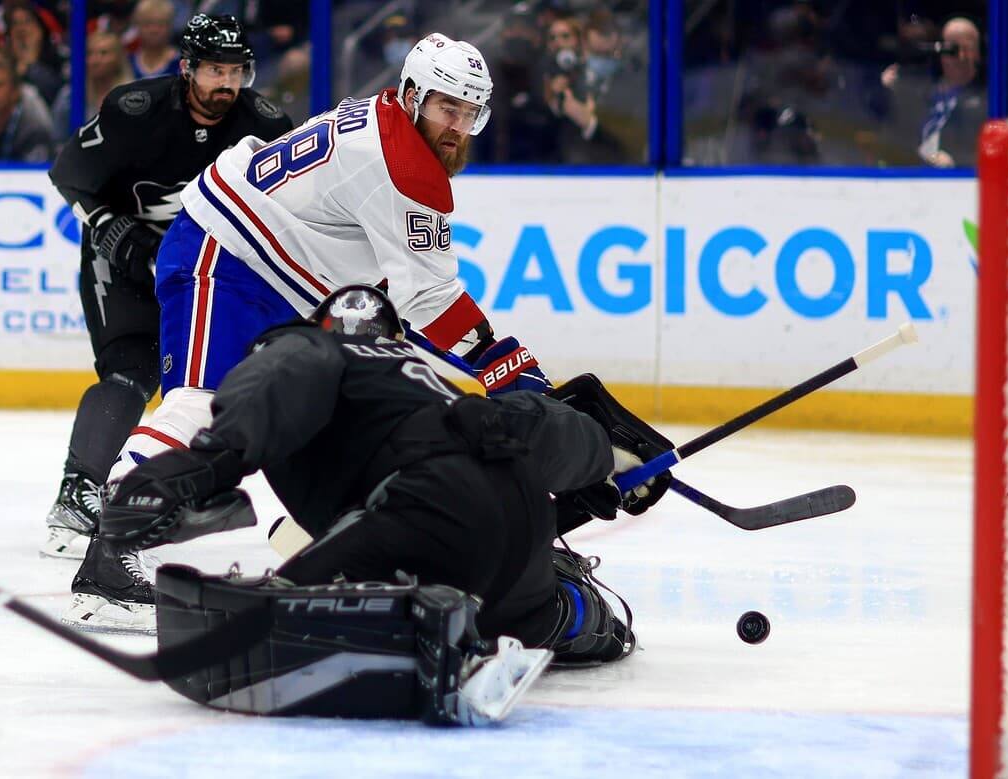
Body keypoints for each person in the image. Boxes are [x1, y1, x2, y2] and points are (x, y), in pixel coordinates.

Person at [90, 286, 667, 676]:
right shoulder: (426, 384)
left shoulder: (305, 347)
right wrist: (607, 458)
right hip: (519, 515)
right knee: (526, 612)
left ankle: (417, 611)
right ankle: (583, 616)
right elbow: (530, 423)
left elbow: (279, 385)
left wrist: (208, 464)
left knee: (285, 603)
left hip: (419, 506)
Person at [98, 32, 552, 505]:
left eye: (470, 112)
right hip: (223, 254)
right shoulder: (403, 164)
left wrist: (491, 361)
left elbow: (397, 291)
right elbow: (428, 296)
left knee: (335, 412)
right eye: (447, 108)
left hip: (277, 271)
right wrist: (499, 361)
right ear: (412, 96)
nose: (457, 126)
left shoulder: (385, 121)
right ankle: (119, 520)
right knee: (200, 405)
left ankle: (345, 531)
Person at [41, 14, 294, 561]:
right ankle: (79, 492)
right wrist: (111, 229)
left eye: (236, 72)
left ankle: (166, 495)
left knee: (207, 388)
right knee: (131, 369)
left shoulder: (267, 127)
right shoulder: (135, 110)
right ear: (186, 69)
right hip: (126, 259)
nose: (226, 83)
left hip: (206, 269)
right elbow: (69, 175)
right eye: (215, 70)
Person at [878, 16, 985, 168]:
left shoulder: (987, 102)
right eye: (952, 49)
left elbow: (993, 155)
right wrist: (886, 91)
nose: (960, 56)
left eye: (967, 48)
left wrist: (957, 163)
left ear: (978, 53)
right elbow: (888, 140)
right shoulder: (919, 91)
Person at [50, 29, 133, 141]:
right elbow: (58, 140)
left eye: (104, 53)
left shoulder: (133, 96)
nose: (95, 60)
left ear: (118, 58)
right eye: (90, 53)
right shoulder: (69, 96)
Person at [128, 0, 178, 81]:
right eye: (147, 23)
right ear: (137, 26)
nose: (154, 30)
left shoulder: (182, 64)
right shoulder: (127, 63)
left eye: (161, 24)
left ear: (170, 26)